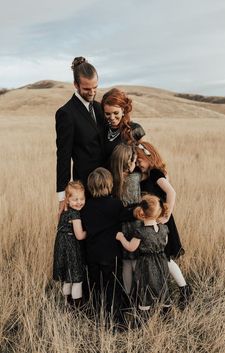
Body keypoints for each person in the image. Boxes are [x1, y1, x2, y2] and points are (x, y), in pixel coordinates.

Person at [136, 141, 192, 309]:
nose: (138, 162)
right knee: (162, 259)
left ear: (149, 156)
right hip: (152, 220)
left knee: (165, 258)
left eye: (140, 159)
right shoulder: (142, 175)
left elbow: (171, 192)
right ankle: (170, 290)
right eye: (136, 160)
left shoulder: (155, 174)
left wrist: (166, 215)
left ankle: (184, 289)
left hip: (161, 221)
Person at [55, 56, 106, 215]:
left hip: (107, 184)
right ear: (76, 85)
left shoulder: (100, 108)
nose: (92, 92)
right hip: (85, 188)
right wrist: (63, 196)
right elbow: (63, 155)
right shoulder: (66, 113)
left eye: (95, 87)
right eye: (87, 89)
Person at [81, 167, 125, 321]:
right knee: (112, 286)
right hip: (112, 254)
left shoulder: (85, 207)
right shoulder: (116, 205)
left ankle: (95, 314)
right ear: (109, 185)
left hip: (92, 254)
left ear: (90, 187)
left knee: (95, 285)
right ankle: (115, 317)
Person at [116, 194, 171, 315]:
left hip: (146, 263)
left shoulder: (140, 232)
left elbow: (131, 247)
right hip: (161, 261)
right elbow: (164, 242)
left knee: (145, 286)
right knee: (161, 284)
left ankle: (144, 313)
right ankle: (166, 309)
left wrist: (121, 238)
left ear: (141, 212)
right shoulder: (164, 228)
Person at [110, 143, 142, 296]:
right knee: (136, 262)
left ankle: (128, 295)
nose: (136, 164)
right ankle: (140, 296)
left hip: (121, 226)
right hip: (136, 223)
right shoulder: (136, 177)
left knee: (126, 264)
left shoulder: (113, 180)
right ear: (129, 163)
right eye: (134, 161)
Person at [53, 181, 87, 307]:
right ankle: (76, 307)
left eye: (82, 198)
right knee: (76, 278)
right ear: (67, 200)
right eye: (75, 199)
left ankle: (66, 303)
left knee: (67, 278)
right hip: (71, 247)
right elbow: (79, 235)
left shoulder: (63, 212)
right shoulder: (75, 214)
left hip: (61, 246)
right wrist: (90, 231)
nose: (79, 202)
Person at [101, 88, 145, 161]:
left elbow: (147, 157)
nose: (112, 117)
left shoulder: (135, 129)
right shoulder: (102, 130)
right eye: (107, 114)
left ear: (123, 110)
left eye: (116, 113)